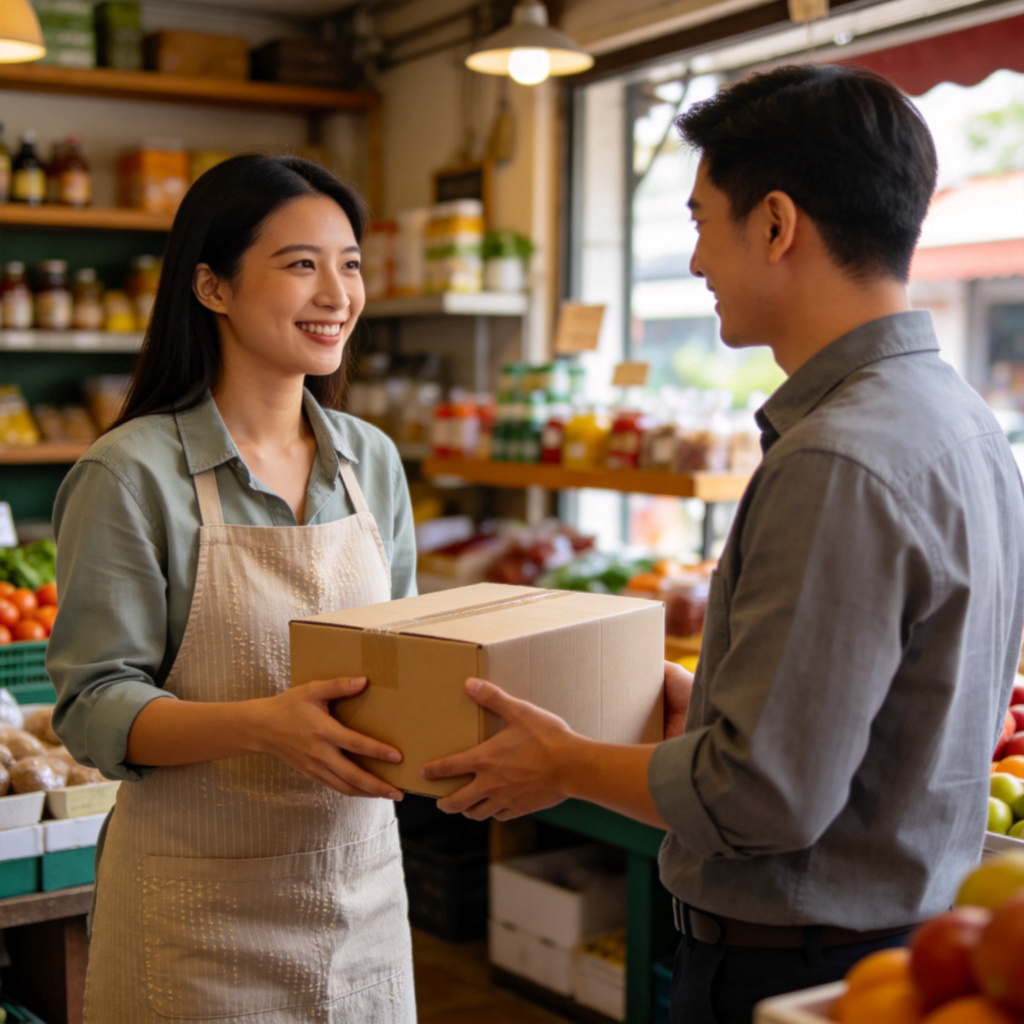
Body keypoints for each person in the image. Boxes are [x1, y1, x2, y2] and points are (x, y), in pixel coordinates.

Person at [421, 63, 1024, 1023]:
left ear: (777, 224)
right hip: (898, 937)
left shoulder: (838, 459)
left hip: (788, 964)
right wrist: (717, 702)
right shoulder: (961, 418)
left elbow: (762, 799)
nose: (696, 261)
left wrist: (564, 764)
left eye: (703, 221)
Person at [47, 153, 419, 1023]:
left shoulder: (372, 460)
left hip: (361, 897)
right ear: (212, 287)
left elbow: (406, 659)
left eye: (350, 263)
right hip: (195, 923)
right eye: (301, 265)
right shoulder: (129, 472)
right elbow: (94, 707)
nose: (337, 293)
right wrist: (264, 725)